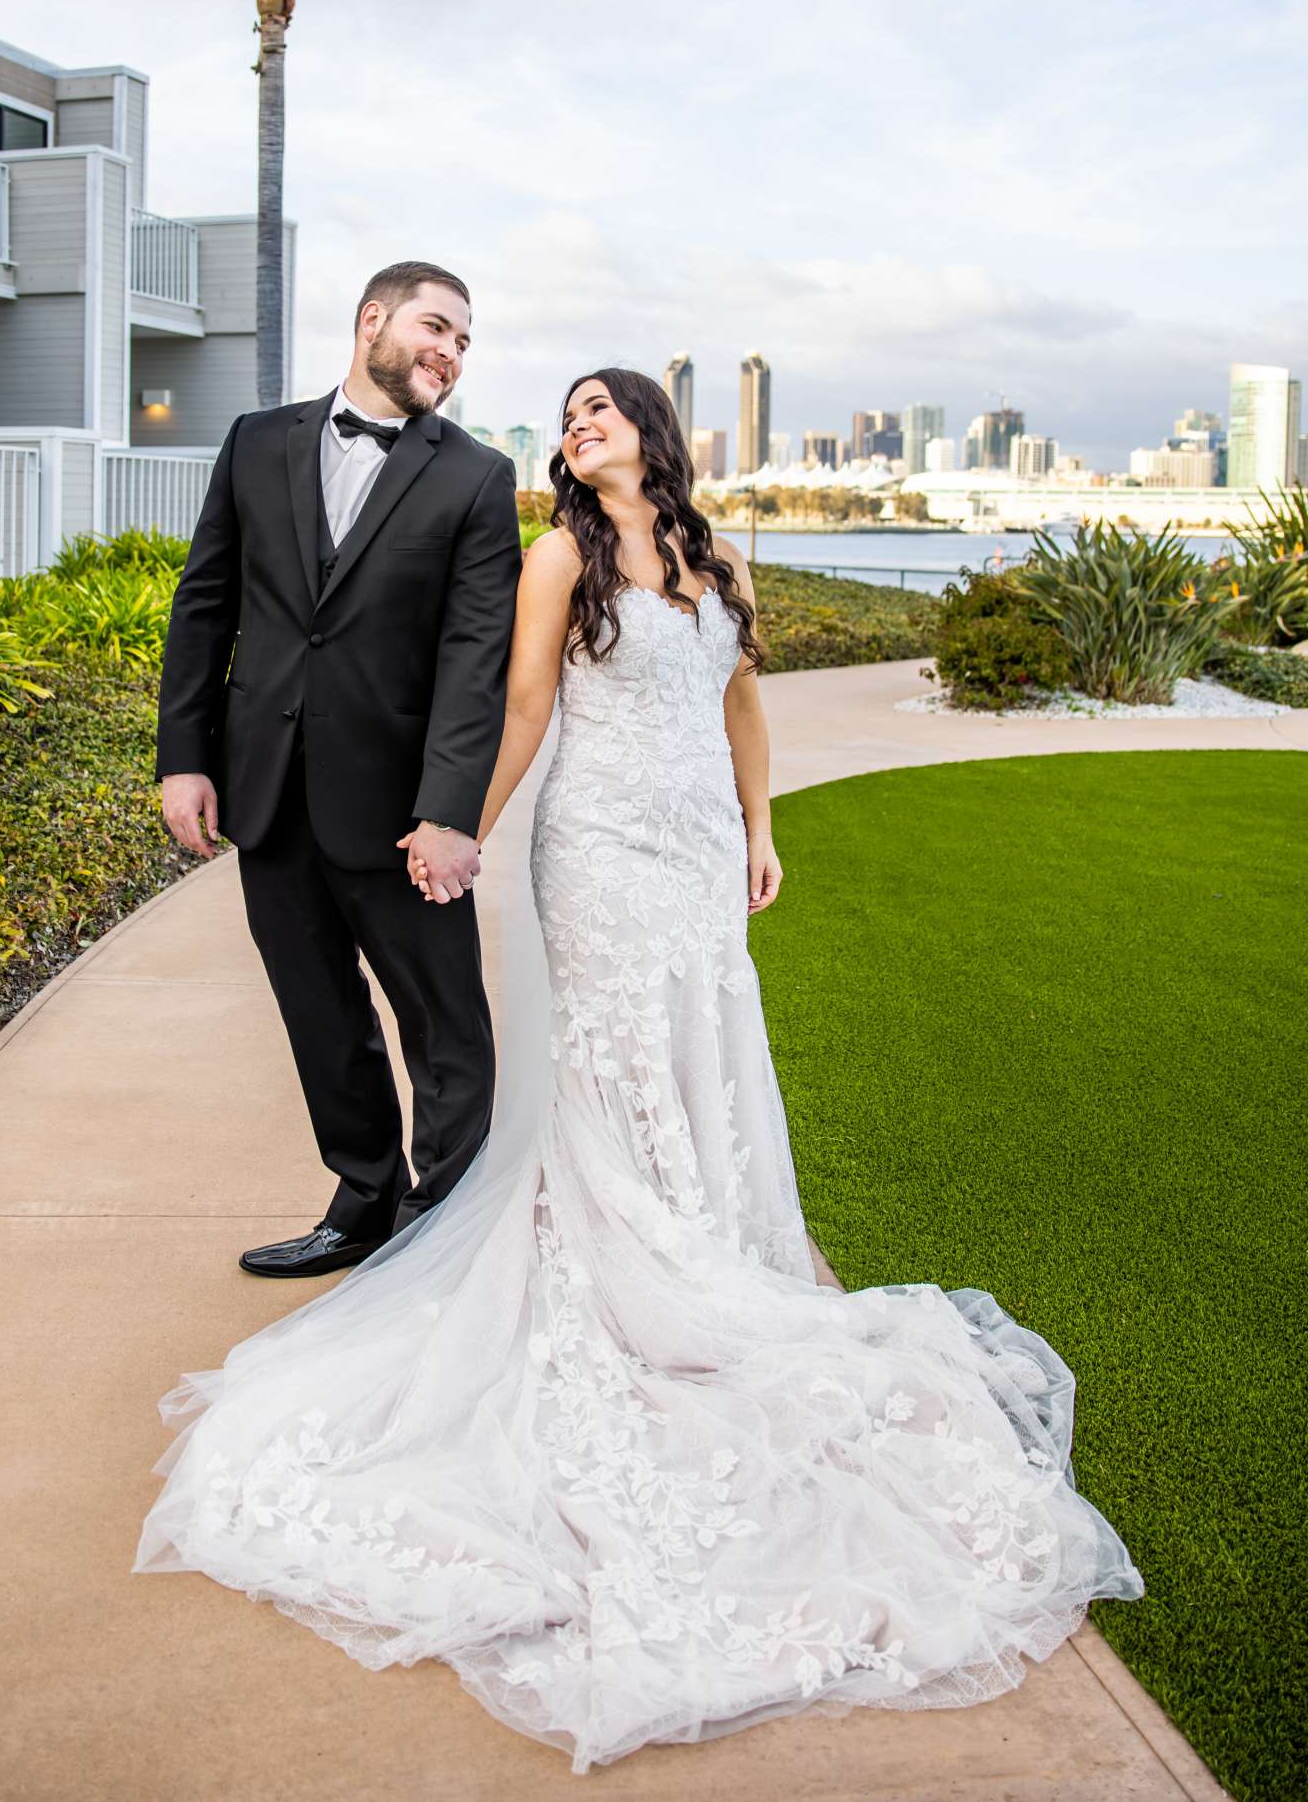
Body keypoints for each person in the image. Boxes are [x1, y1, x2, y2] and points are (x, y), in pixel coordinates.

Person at [136, 367, 1141, 1773]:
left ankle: (715, 1243)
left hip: (692, 850)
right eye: (568, 413)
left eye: (600, 408)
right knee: (611, 1058)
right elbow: (530, 702)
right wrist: (460, 827)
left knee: (703, 1039)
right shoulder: (559, 553)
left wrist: (758, 827)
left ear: (653, 434)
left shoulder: (716, 554)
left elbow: (741, 701)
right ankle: (633, 1257)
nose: (578, 425)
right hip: (596, 846)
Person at [155, 260, 521, 1277]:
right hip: (267, 791)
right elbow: (205, 608)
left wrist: (451, 811)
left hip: (403, 810)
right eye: (436, 325)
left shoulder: (476, 478)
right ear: (372, 321)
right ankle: (364, 1199)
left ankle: (440, 1233)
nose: (450, 350)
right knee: (320, 1016)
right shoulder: (255, 440)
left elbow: (472, 656)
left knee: (443, 1024)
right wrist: (184, 758)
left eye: (464, 339)